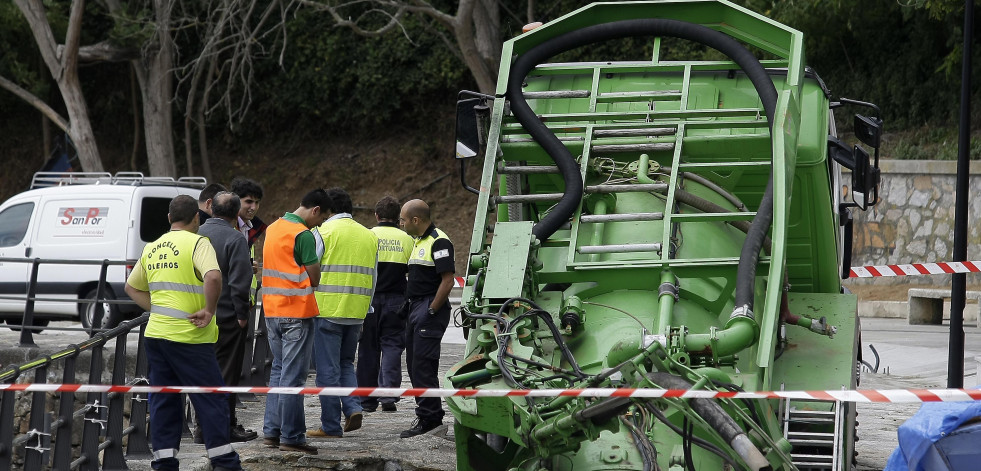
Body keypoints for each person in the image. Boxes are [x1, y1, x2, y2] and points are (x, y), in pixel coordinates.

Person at [123, 195, 242, 471]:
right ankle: (224, 462)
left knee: (164, 399)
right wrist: (209, 310)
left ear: (168, 219)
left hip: (156, 335)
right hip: (189, 336)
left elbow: (131, 287)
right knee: (210, 398)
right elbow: (213, 276)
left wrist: (160, 308)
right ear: (197, 218)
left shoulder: (153, 247)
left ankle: (164, 463)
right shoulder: (199, 243)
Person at [261, 189, 331, 455]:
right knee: (292, 378)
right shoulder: (302, 235)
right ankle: (291, 436)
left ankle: (272, 432)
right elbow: (315, 278)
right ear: (315, 210)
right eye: (322, 218)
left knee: (278, 372)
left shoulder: (275, 227)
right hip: (296, 314)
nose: (320, 224)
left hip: (272, 311)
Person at [308, 188, 378, 438]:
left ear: (329, 210)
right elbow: (373, 277)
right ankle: (352, 407)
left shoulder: (321, 233)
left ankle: (330, 425)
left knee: (327, 371)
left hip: (326, 310)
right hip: (357, 311)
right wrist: (366, 309)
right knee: (346, 363)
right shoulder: (369, 235)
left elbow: (309, 270)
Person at [195, 192, 257, 443]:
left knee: (202, 373)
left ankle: (201, 426)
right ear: (236, 214)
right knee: (227, 374)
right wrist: (242, 314)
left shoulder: (196, 235)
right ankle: (223, 427)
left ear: (211, 209)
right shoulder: (235, 238)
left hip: (197, 314)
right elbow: (241, 282)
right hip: (228, 316)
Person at [398, 199, 455, 438]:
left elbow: (448, 280)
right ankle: (427, 415)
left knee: (423, 367)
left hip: (428, 308)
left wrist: (431, 310)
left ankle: (430, 419)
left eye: (402, 220)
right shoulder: (417, 241)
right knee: (414, 366)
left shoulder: (439, 240)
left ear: (415, 220)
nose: (400, 224)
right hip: (415, 307)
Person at [357, 196, 414, 413]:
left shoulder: (367, 236)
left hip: (369, 300)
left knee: (368, 348)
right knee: (392, 347)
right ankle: (388, 395)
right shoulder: (407, 239)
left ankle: (366, 400)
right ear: (398, 217)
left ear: (376, 215)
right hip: (396, 300)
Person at [230, 177, 268, 305]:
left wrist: (251, 267)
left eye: (257, 202)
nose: (254, 207)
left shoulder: (250, 228)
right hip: (230, 303)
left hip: (246, 303)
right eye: (249, 201)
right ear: (235, 201)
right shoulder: (228, 227)